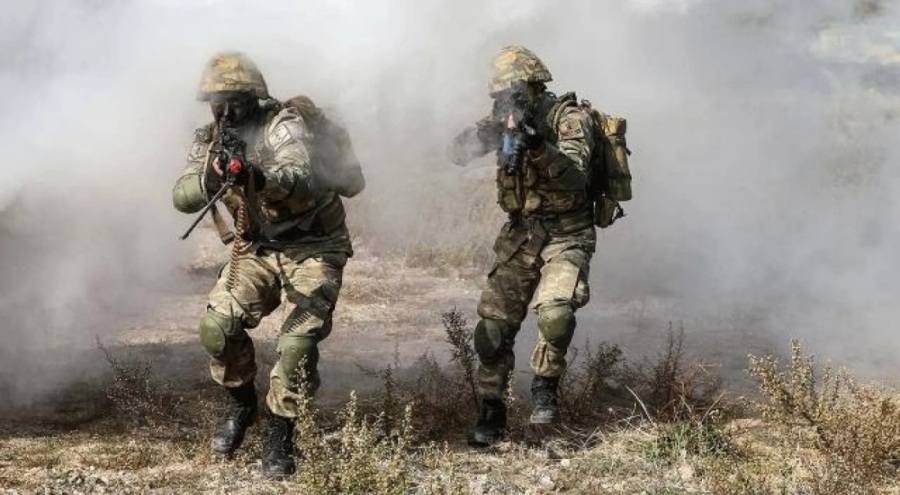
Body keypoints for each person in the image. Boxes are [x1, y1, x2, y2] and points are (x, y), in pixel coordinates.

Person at [172, 51, 364, 477]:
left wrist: (259, 178)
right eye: (216, 101)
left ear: (254, 97)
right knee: (217, 328)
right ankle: (242, 405)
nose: (224, 110)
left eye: (234, 100)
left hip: (314, 245)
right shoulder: (209, 138)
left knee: (296, 343)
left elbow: (298, 174)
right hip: (258, 248)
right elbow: (181, 196)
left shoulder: (283, 125)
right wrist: (212, 176)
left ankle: (281, 431)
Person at [448, 45, 610, 447]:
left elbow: (573, 178)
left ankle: (544, 392)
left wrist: (538, 145)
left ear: (536, 86)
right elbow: (456, 153)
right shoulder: (503, 119)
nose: (508, 100)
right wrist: (493, 129)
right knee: (491, 329)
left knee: (555, 315)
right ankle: (491, 411)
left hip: (567, 231)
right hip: (521, 234)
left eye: (515, 92)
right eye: (500, 94)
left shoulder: (569, 120)